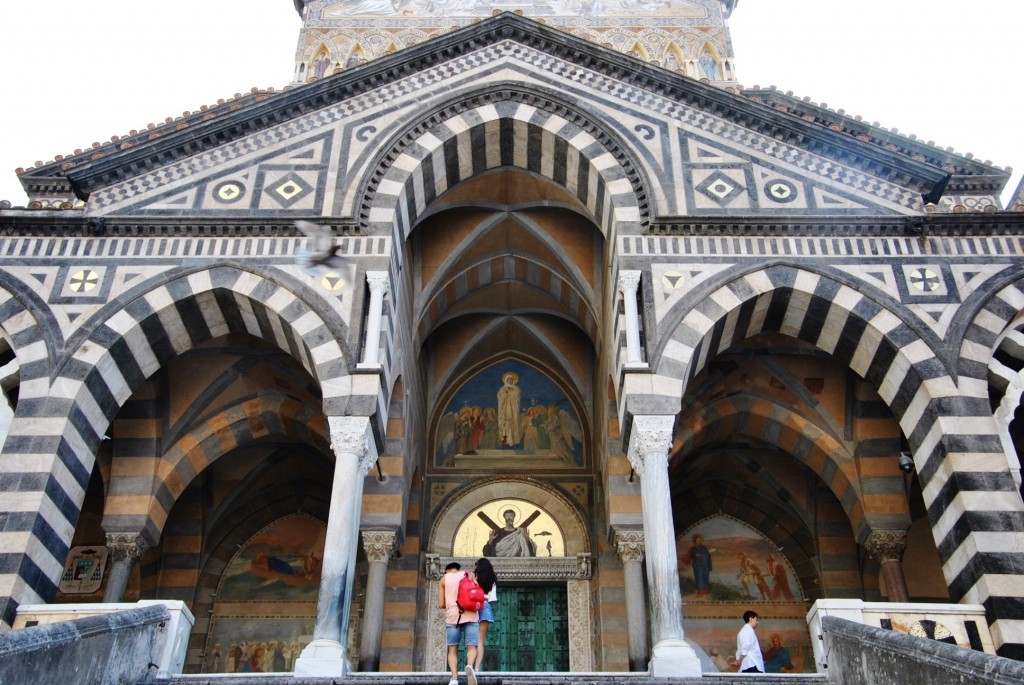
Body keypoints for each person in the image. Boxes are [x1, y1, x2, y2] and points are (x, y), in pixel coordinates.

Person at [439, 561, 478, 685]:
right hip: (471, 614)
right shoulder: (469, 574)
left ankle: (454, 678)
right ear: (458, 569)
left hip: (453, 617)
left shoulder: (444, 579)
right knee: (472, 646)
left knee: (452, 649)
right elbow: (477, 593)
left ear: (447, 570)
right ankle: (470, 666)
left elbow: (441, 604)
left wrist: (451, 603)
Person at [473, 558, 498, 671]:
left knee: (470, 639)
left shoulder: (474, 577)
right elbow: (492, 599)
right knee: (480, 640)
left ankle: (470, 664)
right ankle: (477, 668)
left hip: (473, 607)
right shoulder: (492, 580)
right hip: (486, 606)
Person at [497, 371, 522, 448]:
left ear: (513, 381)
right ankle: (505, 440)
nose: (509, 381)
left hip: (513, 410)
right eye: (508, 380)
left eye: (511, 380)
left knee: (513, 424)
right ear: (505, 380)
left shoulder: (517, 389)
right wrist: (505, 393)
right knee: (505, 423)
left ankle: (513, 440)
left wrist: (510, 393)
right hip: (504, 410)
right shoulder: (502, 389)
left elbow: (517, 398)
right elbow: (500, 398)